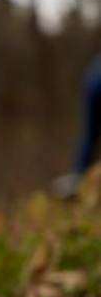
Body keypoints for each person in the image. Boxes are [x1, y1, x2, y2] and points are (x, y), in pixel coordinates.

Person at [52, 55, 101, 199]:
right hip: (94, 83)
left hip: (92, 80)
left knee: (90, 135)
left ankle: (77, 177)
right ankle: (77, 179)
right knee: (90, 135)